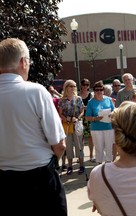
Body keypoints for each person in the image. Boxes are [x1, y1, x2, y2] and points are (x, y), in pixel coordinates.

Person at [0, 38, 67, 215]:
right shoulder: (36, 92)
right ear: (23, 62)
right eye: (28, 61)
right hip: (40, 179)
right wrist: (52, 166)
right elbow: (59, 144)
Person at [58, 79, 85, 175]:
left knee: (79, 146)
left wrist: (77, 118)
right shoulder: (61, 100)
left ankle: (81, 165)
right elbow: (60, 113)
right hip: (67, 125)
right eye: (71, 86)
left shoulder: (78, 98)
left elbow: (82, 111)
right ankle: (70, 166)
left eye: (74, 86)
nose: (73, 88)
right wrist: (65, 118)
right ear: (66, 87)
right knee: (68, 146)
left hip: (77, 124)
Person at [85, 81, 115, 165]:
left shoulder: (108, 99)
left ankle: (109, 166)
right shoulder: (91, 102)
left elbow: (114, 111)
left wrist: (111, 114)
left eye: (101, 89)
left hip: (108, 127)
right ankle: (100, 167)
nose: (99, 92)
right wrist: (95, 118)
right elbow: (87, 117)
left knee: (109, 148)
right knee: (99, 148)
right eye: (97, 90)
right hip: (96, 129)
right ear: (94, 91)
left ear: (103, 90)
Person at [79, 78, 95, 162]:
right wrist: (85, 108)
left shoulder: (91, 95)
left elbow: (92, 106)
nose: (85, 86)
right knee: (80, 138)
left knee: (90, 138)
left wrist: (84, 108)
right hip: (80, 118)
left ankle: (91, 155)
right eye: (84, 84)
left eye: (87, 85)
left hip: (88, 118)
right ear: (81, 85)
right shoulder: (78, 95)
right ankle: (80, 156)